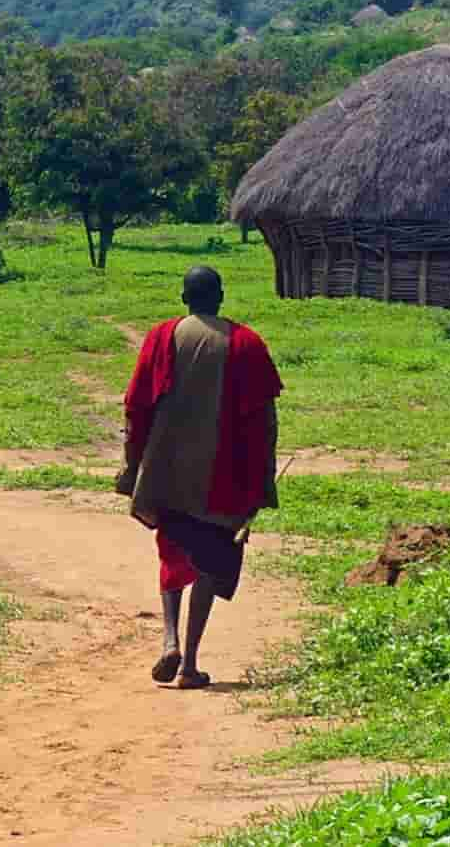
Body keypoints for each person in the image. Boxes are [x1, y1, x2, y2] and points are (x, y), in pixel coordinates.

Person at [116, 265, 282, 690]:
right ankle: (190, 663)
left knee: (172, 553)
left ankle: (168, 638)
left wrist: (133, 467)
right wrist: (263, 482)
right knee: (209, 562)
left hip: (167, 473)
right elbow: (266, 421)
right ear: (221, 296)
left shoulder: (162, 337)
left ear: (183, 297)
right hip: (225, 479)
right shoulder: (246, 343)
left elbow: (136, 406)